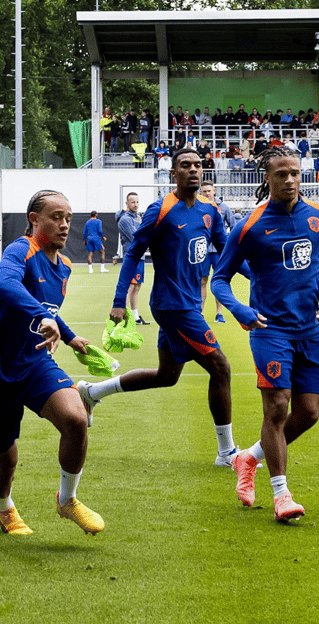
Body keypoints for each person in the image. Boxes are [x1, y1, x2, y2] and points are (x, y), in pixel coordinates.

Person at [78, 147, 240, 467]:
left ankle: (92, 392)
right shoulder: (160, 209)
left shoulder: (209, 210)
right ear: (173, 174)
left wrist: (258, 276)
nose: (193, 170)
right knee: (220, 368)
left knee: (167, 375)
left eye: (198, 165)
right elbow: (133, 254)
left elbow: (225, 252)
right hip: (173, 306)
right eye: (185, 165)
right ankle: (227, 452)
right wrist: (118, 302)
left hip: (190, 303)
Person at [212, 146, 319, 523]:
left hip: (309, 330)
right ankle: (282, 495)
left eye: (295, 173)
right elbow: (220, 279)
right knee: (277, 406)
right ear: (266, 178)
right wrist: (240, 310)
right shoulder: (249, 226)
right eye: (281, 174)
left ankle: (248, 457)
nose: (290, 180)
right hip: (269, 330)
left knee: (310, 413)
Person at [0, 190, 102, 538]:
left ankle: (68, 499)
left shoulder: (65, 266)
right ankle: (3, 506)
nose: (63, 224)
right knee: (5, 462)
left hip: (35, 363)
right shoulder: (20, 250)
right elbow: (6, 284)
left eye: (68, 219)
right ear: (34, 219)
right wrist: (43, 316)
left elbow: (50, 310)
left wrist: (71, 338)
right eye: (55, 217)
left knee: (75, 419)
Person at [199, 180, 239, 323]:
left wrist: (227, 243)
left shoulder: (224, 208)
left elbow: (234, 226)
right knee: (202, 281)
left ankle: (219, 313)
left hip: (218, 251)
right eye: (204, 192)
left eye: (209, 191)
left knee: (219, 280)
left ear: (214, 191)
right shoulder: (198, 207)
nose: (207, 194)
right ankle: (201, 312)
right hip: (202, 251)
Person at [116, 192, 148, 324]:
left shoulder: (138, 218)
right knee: (129, 287)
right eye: (133, 202)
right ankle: (123, 317)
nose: (135, 205)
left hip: (140, 256)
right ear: (127, 204)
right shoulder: (125, 219)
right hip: (132, 256)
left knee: (137, 287)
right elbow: (136, 237)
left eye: (137, 202)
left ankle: (135, 317)